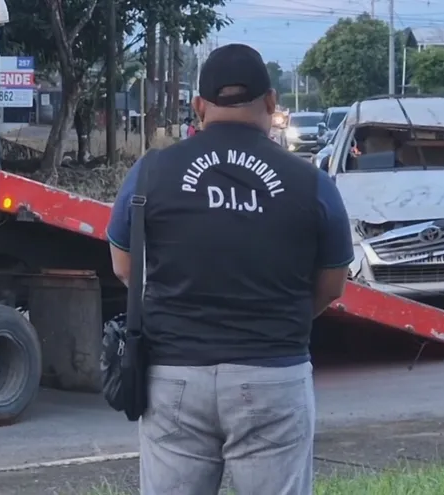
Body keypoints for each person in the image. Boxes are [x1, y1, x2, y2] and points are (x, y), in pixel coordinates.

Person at [106, 43, 353, 495]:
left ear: (199, 106)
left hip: (173, 374)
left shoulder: (150, 172)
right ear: (272, 103)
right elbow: (331, 286)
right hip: (273, 376)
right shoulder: (312, 183)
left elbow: (125, 266)